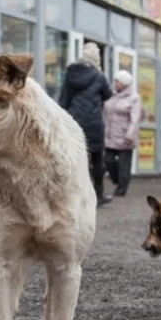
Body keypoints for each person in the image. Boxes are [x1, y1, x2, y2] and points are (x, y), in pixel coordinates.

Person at [60, 42, 113, 207]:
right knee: (96, 160)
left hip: (74, 121)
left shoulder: (70, 72)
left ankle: (73, 197)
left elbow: (64, 99)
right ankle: (98, 195)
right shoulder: (98, 76)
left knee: (75, 160)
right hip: (94, 122)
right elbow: (108, 94)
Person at [102, 69, 142, 197]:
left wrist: (130, 135)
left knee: (124, 165)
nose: (115, 84)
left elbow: (135, 118)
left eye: (118, 81)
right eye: (115, 81)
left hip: (125, 136)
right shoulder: (111, 96)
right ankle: (117, 179)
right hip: (110, 135)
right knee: (108, 160)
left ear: (125, 83)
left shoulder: (134, 98)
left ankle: (121, 189)